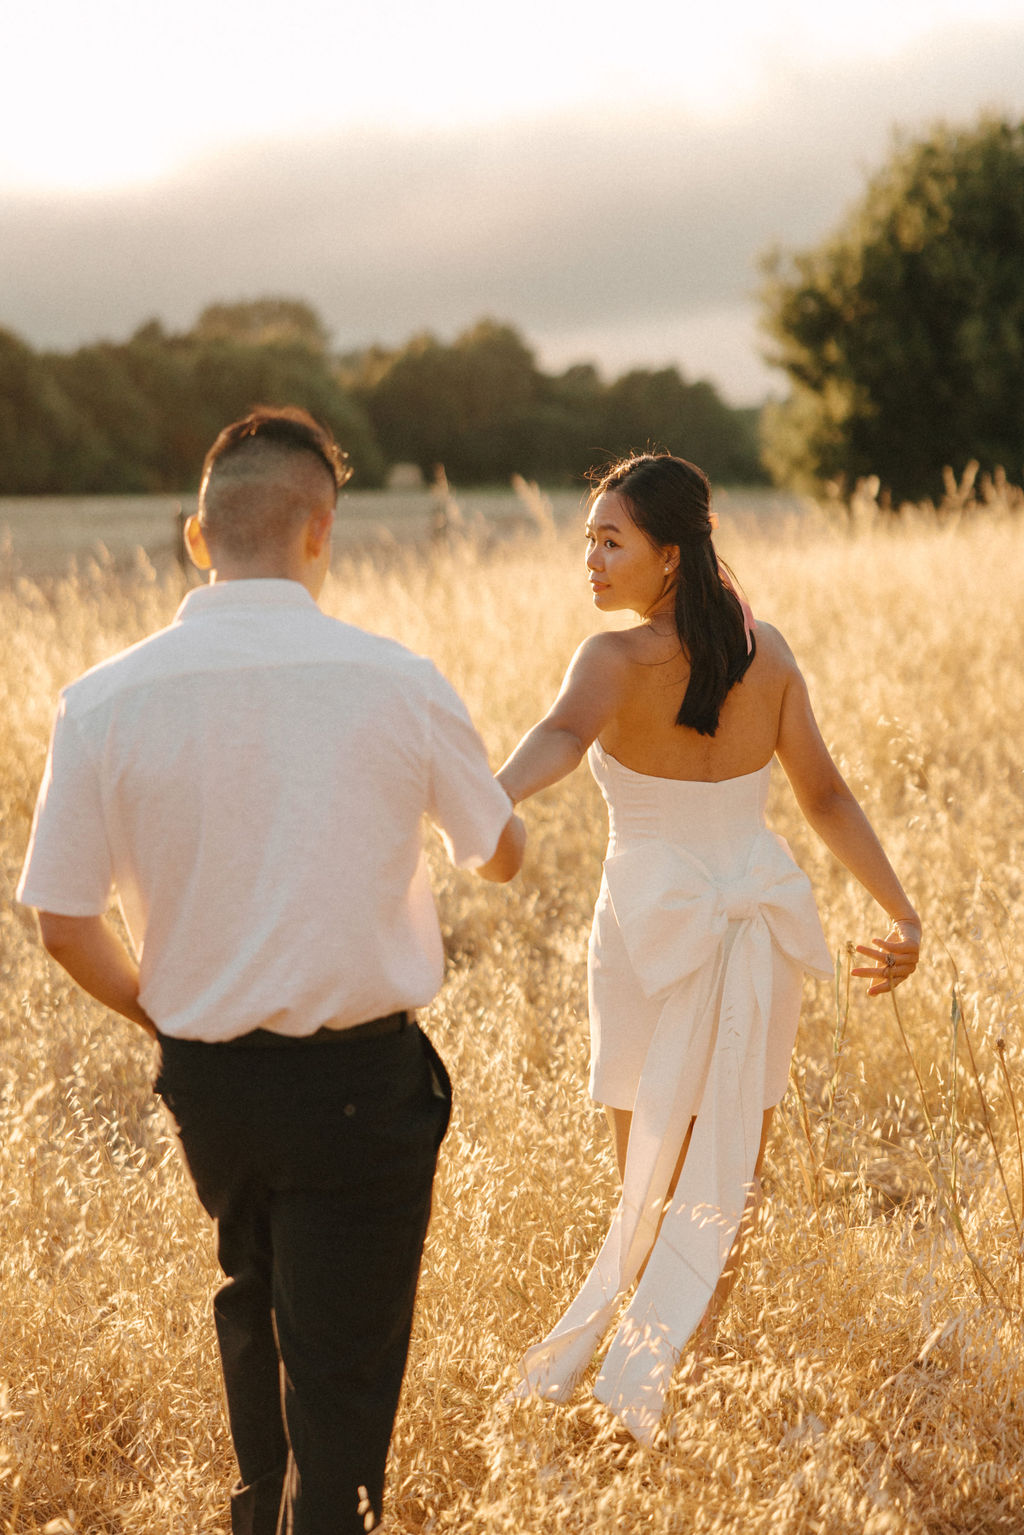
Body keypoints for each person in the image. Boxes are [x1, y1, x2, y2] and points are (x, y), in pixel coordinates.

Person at [16, 407, 525, 1534]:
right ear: (321, 531)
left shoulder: (103, 698)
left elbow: (60, 919)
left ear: (200, 535)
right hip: (359, 1085)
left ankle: (264, 1511)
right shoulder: (394, 678)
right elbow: (495, 851)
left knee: (256, 1306)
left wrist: (171, 1016)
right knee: (339, 1383)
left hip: (209, 1079)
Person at [497, 452, 920, 1445]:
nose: (590, 559)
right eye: (588, 539)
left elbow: (561, 734)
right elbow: (823, 797)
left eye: (611, 539)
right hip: (750, 926)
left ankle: (646, 1401)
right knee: (719, 1177)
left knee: (655, 1176)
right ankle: (665, 1388)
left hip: (658, 931)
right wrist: (898, 912)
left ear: (670, 554)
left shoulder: (609, 663)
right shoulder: (761, 650)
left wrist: (488, 792)